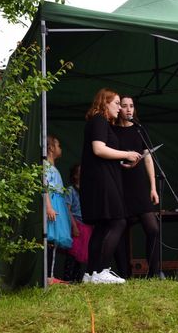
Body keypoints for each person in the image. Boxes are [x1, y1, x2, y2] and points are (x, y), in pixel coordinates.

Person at [80, 88, 142, 284]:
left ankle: (91, 273)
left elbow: (103, 154)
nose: (120, 108)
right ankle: (101, 270)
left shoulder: (100, 122)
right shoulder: (99, 120)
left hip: (101, 178)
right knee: (118, 222)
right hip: (102, 181)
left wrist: (122, 161)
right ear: (104, 103)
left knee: (102, 225)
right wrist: (126, 154)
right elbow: (99, 149)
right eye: (116, 103)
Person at [113, 96, 160, 278]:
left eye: (131, 106)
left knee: (152, 228)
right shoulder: (112, 130)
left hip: (139, 185)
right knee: (121, 230)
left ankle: (154, 273)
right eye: (124, 106)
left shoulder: (140, 129)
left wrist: (153, 187)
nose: (128, 109)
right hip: (120, 184)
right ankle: (125, 274)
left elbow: (148, 158)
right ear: (119, 109)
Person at [44, 134, 73, 284]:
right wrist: (49, 206)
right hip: (53, 205)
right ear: (51, 148)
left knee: (53, 241)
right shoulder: (46, 166)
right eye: (58, 145)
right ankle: (48, 276)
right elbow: (45, 187)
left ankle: (50, 274)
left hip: (57, 203)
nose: (60, 148)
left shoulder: (52, 167)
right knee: (50, 238)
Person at [63, 164, 92, 282]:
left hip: (86, 226)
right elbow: (67, 209)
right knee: (72, 255)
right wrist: (74, 226)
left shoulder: (87, 190)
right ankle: (67, 280)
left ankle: (77, 281)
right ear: (75, 176)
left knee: (81, 257)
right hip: (76, 225)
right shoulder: (70, 190)